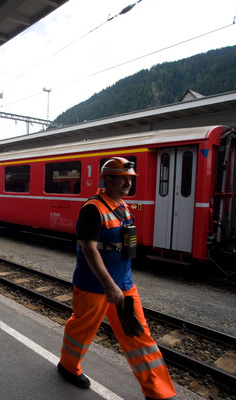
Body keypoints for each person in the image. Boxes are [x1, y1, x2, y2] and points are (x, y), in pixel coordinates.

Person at [56, 157, 176, 400]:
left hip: (124, 285)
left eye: (130, 179)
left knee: (138, 335)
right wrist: (109, 287)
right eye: (123, 178)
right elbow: (89, 249)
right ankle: (68, 368)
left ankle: (157, 393)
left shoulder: (123, 208)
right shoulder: (93, 208)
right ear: (107, 179)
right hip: (94, 286)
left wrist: (120, 285)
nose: (128, 183)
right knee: (82, 329)